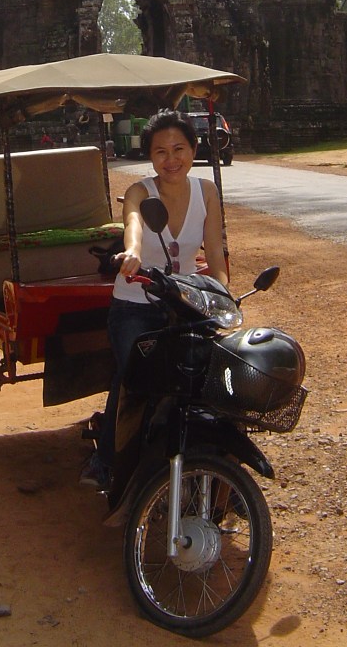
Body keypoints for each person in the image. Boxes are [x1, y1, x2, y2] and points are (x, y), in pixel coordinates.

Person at [79, 109, 228, 490]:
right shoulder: (139, 191)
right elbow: (134, 227)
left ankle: (213, 463)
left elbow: (215, 256)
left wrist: (222, 298)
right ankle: (106, 457)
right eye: (160, 151)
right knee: (134, 375)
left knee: (207, 375)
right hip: (136, 303)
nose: (171, 159)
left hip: (186, 303)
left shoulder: (206, 192)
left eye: (179, 148)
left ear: (194, 149)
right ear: (150, 156)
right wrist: (131, 255)